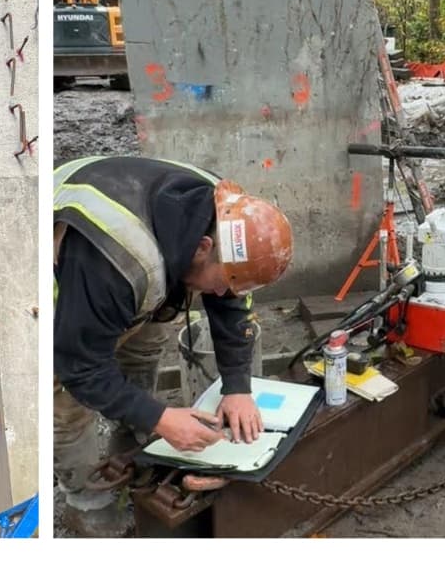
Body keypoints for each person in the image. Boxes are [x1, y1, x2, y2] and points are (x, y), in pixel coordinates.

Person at [53, 156, 294, 535]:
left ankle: (132, 429)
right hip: (65, 282)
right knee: (67, 404)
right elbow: (80, 366)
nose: (220, 294)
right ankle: (85, 501)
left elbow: (231, 301)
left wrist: (237, 385)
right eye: (222, 283)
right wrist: (161, 418)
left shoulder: (225, 213)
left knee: (146, 342)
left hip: (132, 264)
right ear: (202, 247)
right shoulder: (113, 263)